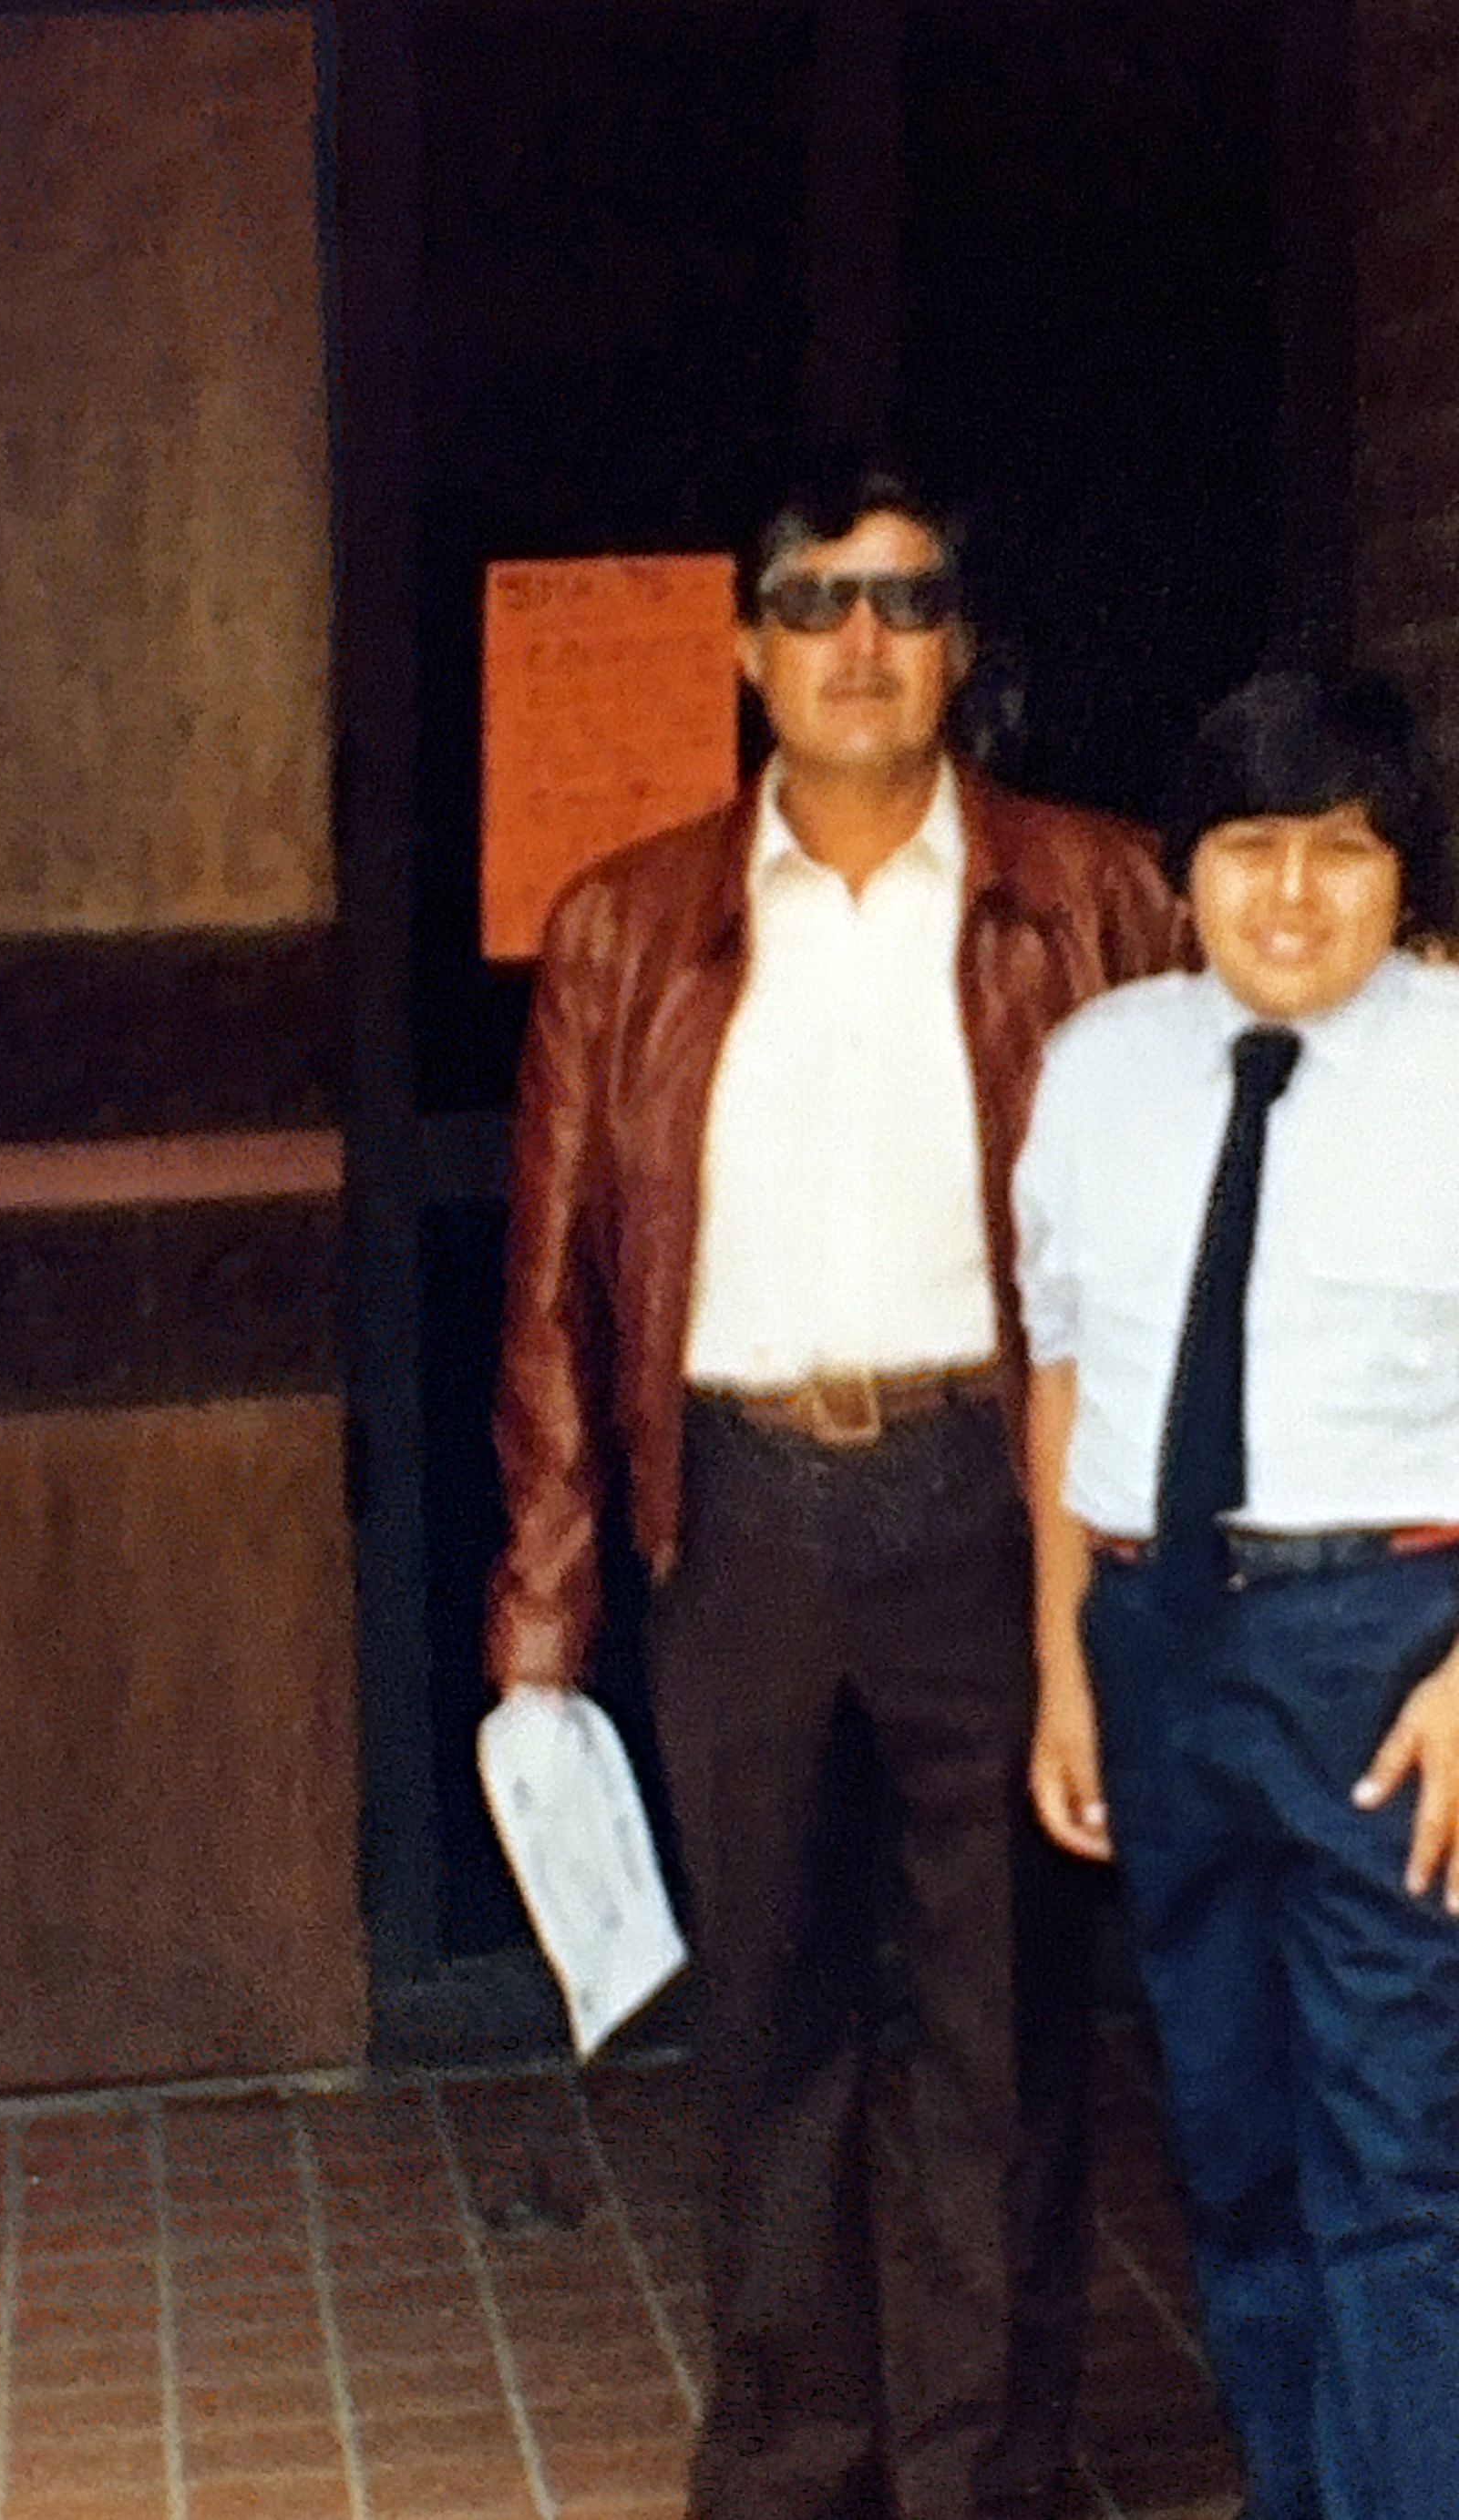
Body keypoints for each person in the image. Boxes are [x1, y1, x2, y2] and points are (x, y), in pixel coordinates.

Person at [487, 451, 1183, 2520]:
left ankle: (984, 2475)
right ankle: (795, 2464)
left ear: (963, 643)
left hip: (997, 1501)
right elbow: (550, 1290)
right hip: (745, 1514)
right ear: (746, 648)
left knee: (1003, 2032)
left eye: (904, 600)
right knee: (771, 2019)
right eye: (813, 603)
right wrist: (542, 1621)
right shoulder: (627, 924)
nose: (859, 643)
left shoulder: (1100, 895)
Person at [1015, 667, 1459, 2520]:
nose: (1290, 896)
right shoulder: (1099, 1067)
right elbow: (1064, 1380)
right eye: (1249, 847)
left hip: (1391, 1653)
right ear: (1183, 869)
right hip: (1157, 1642)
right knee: (1230, 2137)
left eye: (1340, 852)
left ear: (1405, 873)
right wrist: (1065, 1669)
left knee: (1398, 2155)